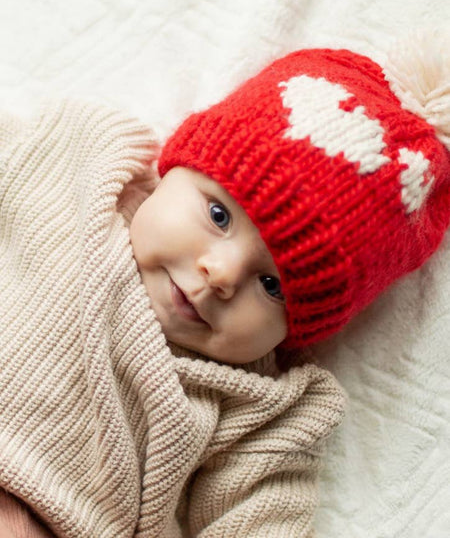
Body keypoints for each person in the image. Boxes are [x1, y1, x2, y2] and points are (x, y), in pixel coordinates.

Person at [0, 34, 448, 537]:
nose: (222, 275)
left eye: (273, 286)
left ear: (297, 329)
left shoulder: (259, 406)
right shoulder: (78, 169)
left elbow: (263, 520)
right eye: (218, 215)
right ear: (176, 167)